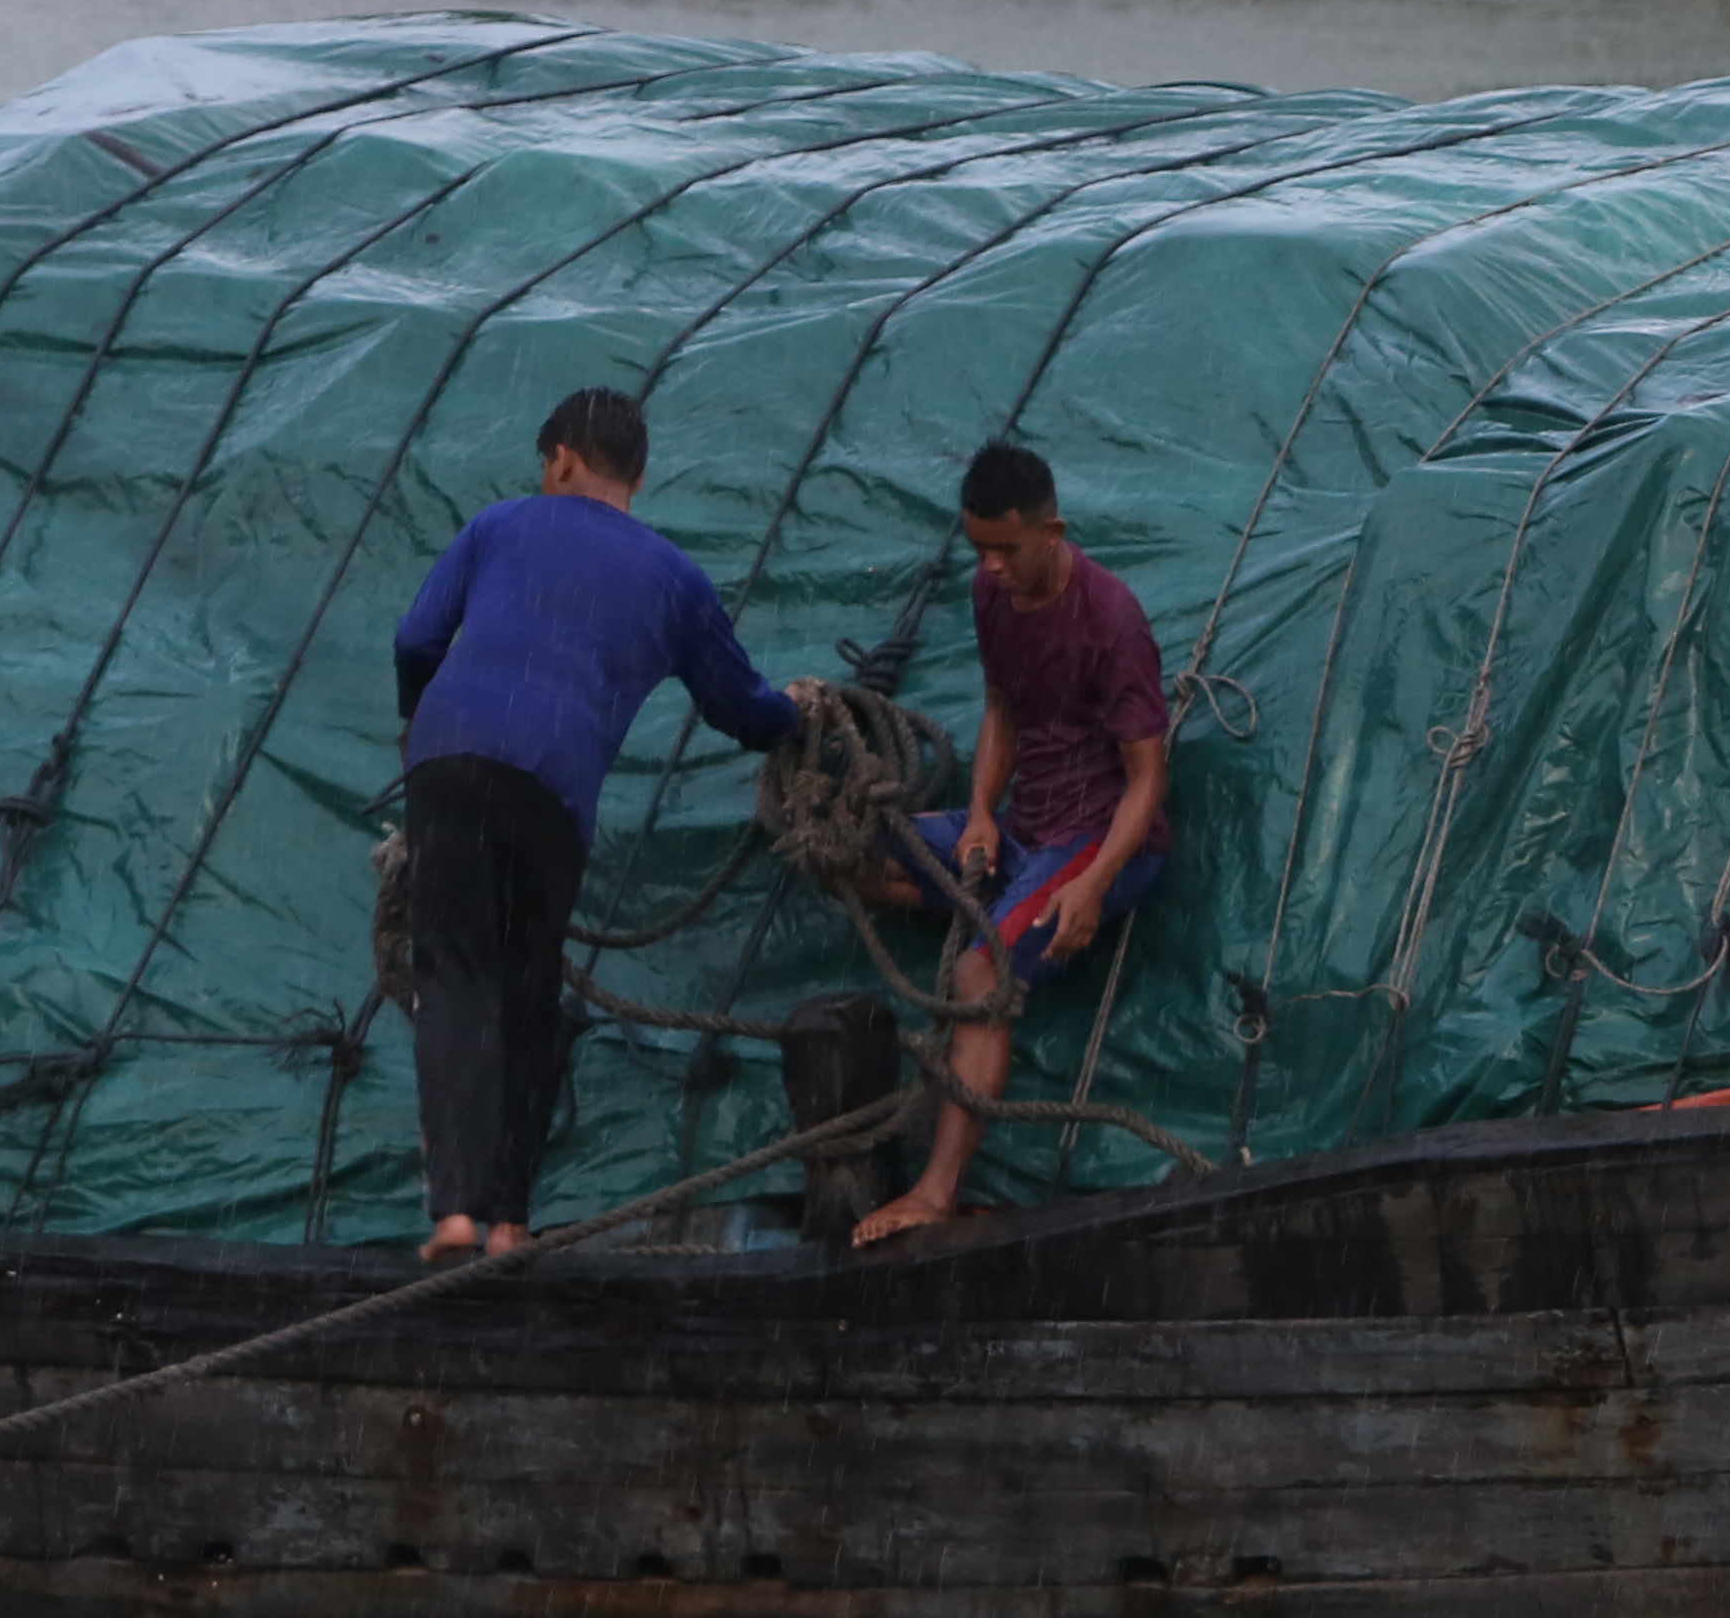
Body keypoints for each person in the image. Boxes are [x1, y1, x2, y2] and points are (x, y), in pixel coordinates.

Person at [391, 388, 809, 1258]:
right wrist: (798, 720)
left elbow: (415, 639)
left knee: (455, 978)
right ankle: (509, 1221)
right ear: (639, 478)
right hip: (554, 779)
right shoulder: (673, 578)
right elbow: (740, 707)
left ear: (560, 461)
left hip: (448, 753)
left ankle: (455, 1212)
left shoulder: (499, 525)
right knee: (529, 994)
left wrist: (416, 724)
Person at [854, 441, 1170, 1246]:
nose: (991, 567)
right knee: (849, 850)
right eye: (978, 550)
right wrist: (981, 814)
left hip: (1099, 840)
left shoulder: (1113, 621)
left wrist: (1094, 883)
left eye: (1006, 549)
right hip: (1023, 829)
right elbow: (1000, 708)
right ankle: (998, 908)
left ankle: (936, 1193)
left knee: (979, 972)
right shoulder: (989, 594)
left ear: (1052, 532)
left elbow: (1147, 782)